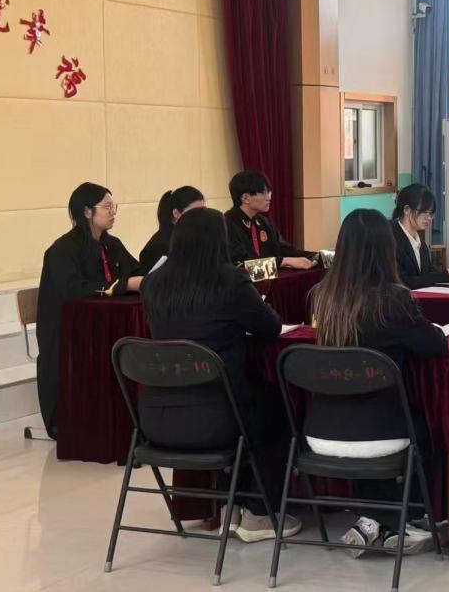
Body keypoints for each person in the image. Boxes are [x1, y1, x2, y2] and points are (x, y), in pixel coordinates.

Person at [139, 208, 300, 543]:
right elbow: (270, 326)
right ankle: (259, 513)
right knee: (277, 410)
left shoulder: (153, 283)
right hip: (220, 417)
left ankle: (229, 507)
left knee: (246, 404)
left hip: (158, 418)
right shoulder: (229, 281)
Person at [307, 208, 448, 556]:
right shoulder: (393, 299)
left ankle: (372, 519)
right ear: (386, 250)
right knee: (428, 430)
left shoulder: (322, 296)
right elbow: (434, 345)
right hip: (381, 433)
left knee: (374, 420)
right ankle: (404, 520)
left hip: (321, 431)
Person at [35, 184, 143, 438]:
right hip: (68, 330)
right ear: (86, 211)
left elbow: (137, 271)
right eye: (107, 207)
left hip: (103, 324)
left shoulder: (112, 244)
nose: (113, 212)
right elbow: (74, 290)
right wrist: (124, 285)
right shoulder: (62, 250)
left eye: (114, 206)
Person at [223, 171, 315, 269]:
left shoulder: (263, 221)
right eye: (264, 192)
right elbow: (241, 262)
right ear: (245, 198)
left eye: (269, 192)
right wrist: (283, 261)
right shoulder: (226, 224)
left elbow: (283, 249)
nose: (269, 197)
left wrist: (313, 256)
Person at [391, 184, 449, 289]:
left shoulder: (420, 243)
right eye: (424, 212)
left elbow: (428, 274)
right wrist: (444, 275)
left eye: (431, 213)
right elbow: (404, 282)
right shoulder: (390, 239)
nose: (429, 218)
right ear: (407, 210)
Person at [139, 186, 206, 270]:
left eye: (203, 212)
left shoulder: (190, 236)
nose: (201, 217)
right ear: (176, 213)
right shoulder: (161, 245)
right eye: (194, 213)